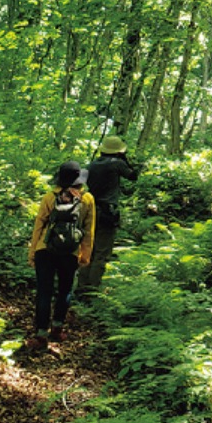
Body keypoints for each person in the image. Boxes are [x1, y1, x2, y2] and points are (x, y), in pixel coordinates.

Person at [26, 160, 95, 350]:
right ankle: (57, 328)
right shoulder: (87, 199)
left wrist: (33, 252)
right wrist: (84, 255)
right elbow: (88, 230)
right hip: (70, 252)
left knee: (44, 292)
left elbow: (39, 226)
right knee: (64, 290)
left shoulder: (50, 197)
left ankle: (40, 335)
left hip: (45, 249)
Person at [76, 135, 139, 294]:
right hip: (107, 213)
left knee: (88, 248)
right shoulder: (117, 163)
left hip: (89, 210)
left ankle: (81, 287)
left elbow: (79, 184)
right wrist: (126, 160)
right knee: (101, 253)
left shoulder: (92, 164)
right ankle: (92, 290)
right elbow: (133, 176)